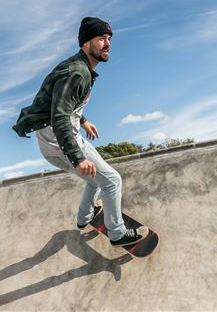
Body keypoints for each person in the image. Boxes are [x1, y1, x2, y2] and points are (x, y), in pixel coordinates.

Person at [12, 17, 148, 247]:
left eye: (109, 39)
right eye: (101, 39)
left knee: (95, 179)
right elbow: (60, 116)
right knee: (112, 181)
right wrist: (77, 158)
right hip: (61, 142)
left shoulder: (78, 66)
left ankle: (84, 216)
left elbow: (60, 103)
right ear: (86, 43)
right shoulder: (77, 72)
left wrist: (83, 120)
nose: (107, 44)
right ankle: (117, 233)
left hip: (58, 140)